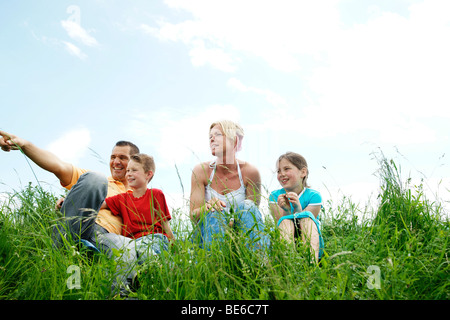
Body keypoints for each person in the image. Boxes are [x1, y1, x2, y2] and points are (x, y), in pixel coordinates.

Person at [0, 129, 139, 252]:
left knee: (128, 248)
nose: (115, 162)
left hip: (108, 238)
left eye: (122, 158)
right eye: (113, 157)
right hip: (77, 226)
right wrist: (25, 145)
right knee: (96, 178)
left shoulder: (140, 196)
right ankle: (58, 252)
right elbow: (58, 166)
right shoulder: (101, 181)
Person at [189, 120, 269, 250]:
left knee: (248, 206)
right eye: (210, 136)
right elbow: (193, 215)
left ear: (235, 141)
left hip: (240, 234)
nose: (212, 139)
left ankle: (259, 262)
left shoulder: (250, 172)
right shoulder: (201, 171)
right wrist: (208, 207)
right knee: (214, 212)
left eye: (218, 134)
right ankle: (214, 264)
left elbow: (252, 216)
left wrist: (230, 224)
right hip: (209, 234)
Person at [101, 153, 175, 261]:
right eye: (128, 171)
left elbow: (165, 224)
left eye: (134, 170)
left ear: (148, 174)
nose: (129, 174)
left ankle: (156, 264)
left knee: (142, 253)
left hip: (154, 239)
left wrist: (175, 248)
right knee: (127, 255)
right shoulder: (122, 199)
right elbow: (99, 204)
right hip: (131, 243)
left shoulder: (156, 194)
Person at [268, 152, 324, 263]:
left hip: (309, 237)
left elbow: (308, 220)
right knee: (286, 222)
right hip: (285, 235)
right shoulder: (274, 196)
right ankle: (290, 263)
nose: (281, 174)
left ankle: (311, 263)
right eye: (278, 171)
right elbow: (279, 222)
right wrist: (287, 210)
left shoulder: (314, 196)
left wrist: (298, 209)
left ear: (303, 172)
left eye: (286, 169)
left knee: (307, 220)